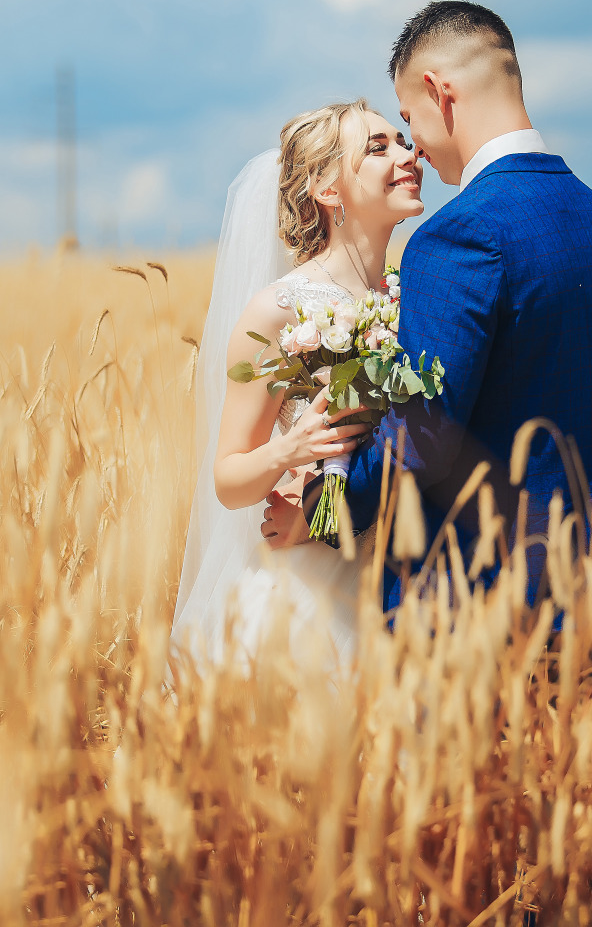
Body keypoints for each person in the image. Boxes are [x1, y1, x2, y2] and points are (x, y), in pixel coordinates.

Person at [266, 1, 592, 616]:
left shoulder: (459, 238)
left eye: (408, 119)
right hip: (589, 605)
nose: (414, 148)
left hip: (467, 613)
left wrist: (325, 510)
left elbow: (423, 437)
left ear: (439, 94)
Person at [172, 100, 425, 670]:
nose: (408, 156)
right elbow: (229, 480)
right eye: (378, 148)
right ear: (329, 190)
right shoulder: (278, 311)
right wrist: (292, 449)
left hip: (394, 575)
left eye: (403, 141)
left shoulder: (409, 297)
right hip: (307, 598)